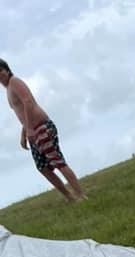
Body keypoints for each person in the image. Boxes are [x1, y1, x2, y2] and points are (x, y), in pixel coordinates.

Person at [0, 58, 86, 202]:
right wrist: (23, 134)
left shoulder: (14, 82)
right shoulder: (8, 89)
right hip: (32, 131)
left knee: (57, 162)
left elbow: (28, 102)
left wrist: (29, 129)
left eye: (0, 71)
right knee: (43, 168)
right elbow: (22, 112)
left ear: (7, 70)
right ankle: (70, 197)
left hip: (41, 127)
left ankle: (81, 195)